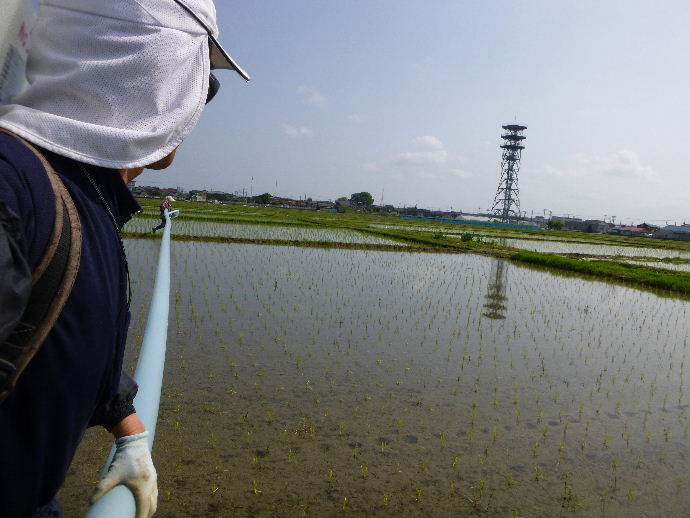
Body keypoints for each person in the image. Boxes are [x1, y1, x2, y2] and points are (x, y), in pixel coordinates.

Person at [0, 1, 249, 517]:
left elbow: (56, 333)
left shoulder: (81, 193)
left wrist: (125, 421)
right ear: (153, 76)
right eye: (198, 84)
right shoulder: (16, 187)